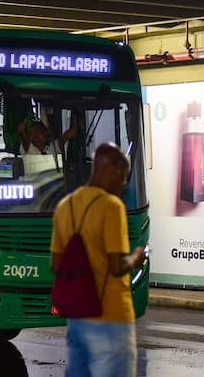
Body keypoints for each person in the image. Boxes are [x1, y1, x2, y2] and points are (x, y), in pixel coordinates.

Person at [50, 142, 146, 377]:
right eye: (122, 176)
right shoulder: (111, 206)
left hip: (77, 317)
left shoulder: (65, 206)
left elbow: (55, 264)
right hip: (110, 315)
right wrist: (136, 258)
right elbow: (116, 267)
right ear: (108, 170)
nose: (123, 184)